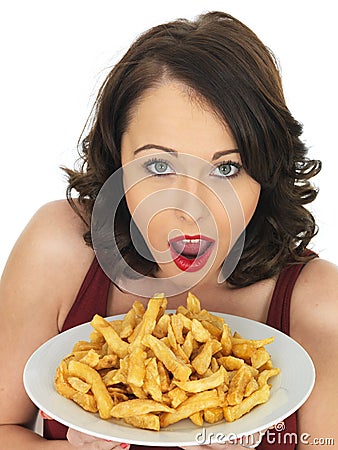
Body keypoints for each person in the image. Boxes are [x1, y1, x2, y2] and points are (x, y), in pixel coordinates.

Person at [0, 10, 337, 450]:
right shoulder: (58, 247)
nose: (190, 210)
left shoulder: (322, 306)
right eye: (158, 166)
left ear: (266, 169)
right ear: (116, 155)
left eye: (227, 167)